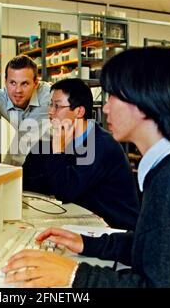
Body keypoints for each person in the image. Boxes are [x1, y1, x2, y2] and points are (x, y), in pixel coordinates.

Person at [2, 47, 170, 288]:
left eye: (113, 96)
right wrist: (89, 244)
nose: (104, 108)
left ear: (145, 103)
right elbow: (156, 247)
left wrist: (73, 275)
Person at [22, 78, 140, 230]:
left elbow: (65, 190)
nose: (50, 111)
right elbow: (26, 179)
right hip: (83, 220)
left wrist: (58, 149)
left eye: (57, 106)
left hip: (116, 231)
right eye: (50, 104)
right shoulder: (53, 140)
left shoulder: (101, 146)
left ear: (79, 111)